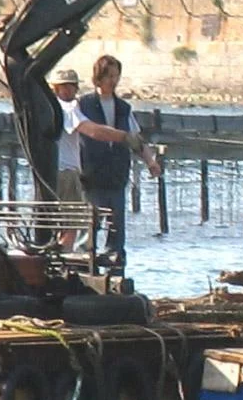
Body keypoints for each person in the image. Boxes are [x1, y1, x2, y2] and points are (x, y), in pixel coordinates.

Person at [78, 55, 161, 265]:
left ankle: (115, 268)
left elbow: (137, 140)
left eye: (116, 76)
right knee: (90, 224)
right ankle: (83, 266)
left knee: (116, 228)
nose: (112, 81)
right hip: (91, 173)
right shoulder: (83, 104)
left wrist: (151, 162)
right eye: (109, 76)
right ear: (98, 77)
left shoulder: (123, 108)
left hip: (117, 174)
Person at [49, 68, 140, 250]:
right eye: (63, 87)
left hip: (48, 172)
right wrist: (123, 136)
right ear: (55, 89)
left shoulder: (46, 109)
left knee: (55, 222)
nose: (67, 91)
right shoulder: (68, 109)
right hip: (67, 173)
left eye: (70, 87)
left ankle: (54, 256)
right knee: (72, 224)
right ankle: (63, 261)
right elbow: (94, 131)